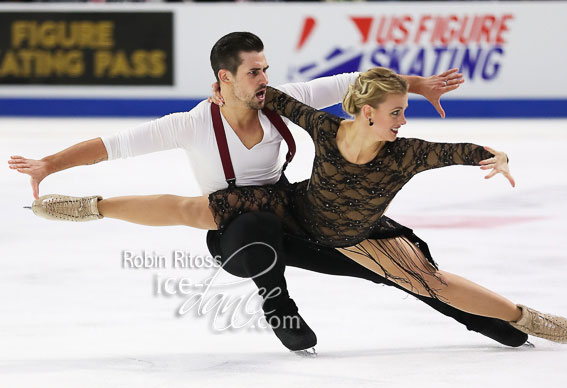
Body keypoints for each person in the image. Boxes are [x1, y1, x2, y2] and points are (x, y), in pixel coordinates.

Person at [10, 32, 532, 352]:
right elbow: (112, 146)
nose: (265, 78)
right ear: (225, 77)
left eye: (266, 69)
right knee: (247, 221)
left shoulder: (282, 101)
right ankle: (277, 301)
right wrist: (50, 165)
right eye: (254, 71)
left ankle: (499, 327)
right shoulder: (190, 125)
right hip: (235, 237)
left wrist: (417, 85)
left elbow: (357, 82)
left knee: (397, 272)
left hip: (296, 217)